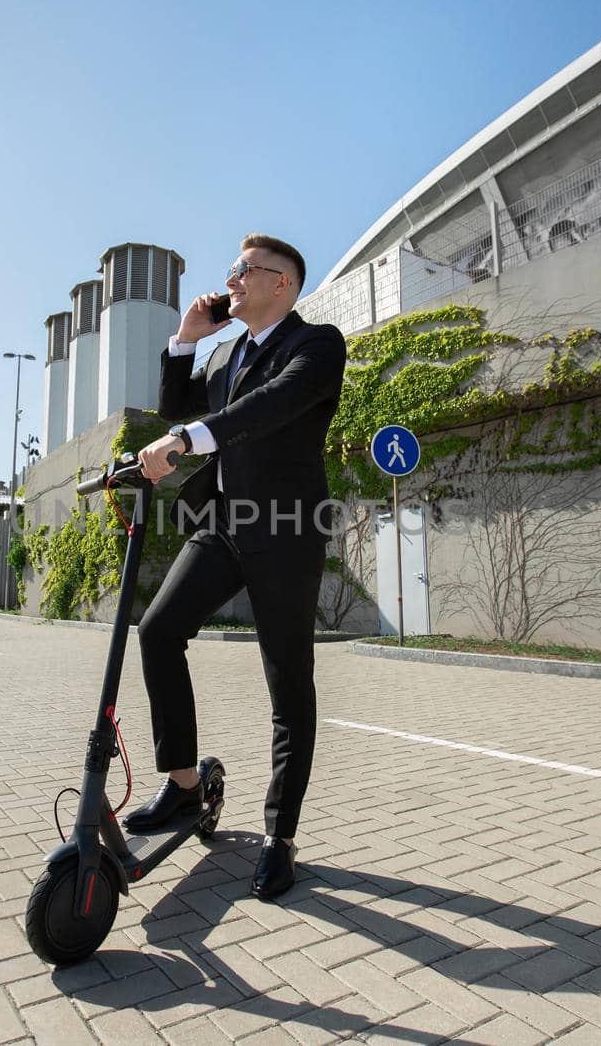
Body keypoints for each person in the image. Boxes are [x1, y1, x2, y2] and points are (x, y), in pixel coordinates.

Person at [125, 233, 346, 901]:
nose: (231, 280)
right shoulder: (226, 355)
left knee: (287, 682)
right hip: (224, 524)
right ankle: (184, 786)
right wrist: (187, 337)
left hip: (285, 531)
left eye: (242, 270)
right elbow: (174, 404)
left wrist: (189, 440)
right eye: (231, 270)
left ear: (281, 282)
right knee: (158, 631)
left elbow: (265, 408)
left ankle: (280, 836)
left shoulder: (316, 344)